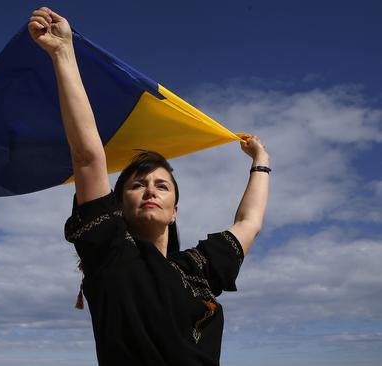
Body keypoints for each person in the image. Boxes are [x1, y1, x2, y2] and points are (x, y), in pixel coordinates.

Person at [29, 6, 270, 366]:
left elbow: (249, 222)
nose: (151, 190)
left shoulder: (197, 268)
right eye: (137, 185)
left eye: (162, 185)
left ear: (174, 212)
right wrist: (63, 52)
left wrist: (260, 161)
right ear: (119, 207)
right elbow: (87, 158)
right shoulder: (110, 252)